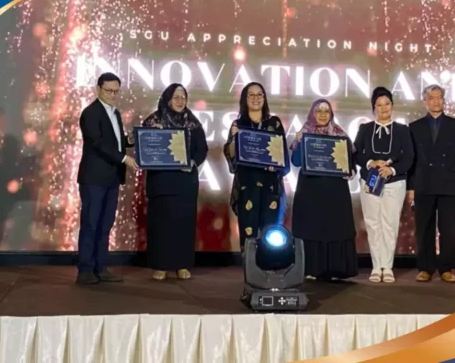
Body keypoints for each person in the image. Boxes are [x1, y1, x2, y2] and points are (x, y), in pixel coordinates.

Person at [76, 72, 138, 285]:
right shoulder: (90, 113)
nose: (112, 94)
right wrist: (124, 158)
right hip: (94, 178)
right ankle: (85, 270)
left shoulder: (115, 113)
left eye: (116, 91)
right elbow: (98, 143)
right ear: (98, 89)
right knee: (90, 225)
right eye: (108, 90)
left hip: (112, 178)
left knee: (105, 225)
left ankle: (101, 268)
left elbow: (115, 141)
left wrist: (132, 140)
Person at [141, 83, 208, 281]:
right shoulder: (153, 121)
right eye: (176, 97)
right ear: (168, 99)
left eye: (183, 97)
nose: (180, 101)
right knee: (160, 225)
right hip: (161, 182)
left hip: (185, 182)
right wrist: (154, 134)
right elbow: (144, 147)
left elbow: (202, 149)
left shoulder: (193, 122)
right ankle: (161, 266)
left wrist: (192, 162)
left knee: (183, 225)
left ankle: (182, 265)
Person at [290, 99, 358, 282]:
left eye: (326, 111)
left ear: (331, 114)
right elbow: (296, 161)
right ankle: (311, 268)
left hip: (335, 190)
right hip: (310, 190)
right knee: (311, 227)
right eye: (318, 110)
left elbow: (350, 162)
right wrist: (298, 140)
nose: (322, 114)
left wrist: (351, 170)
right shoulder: (304, 133)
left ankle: (336, 269)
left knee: (335, 227)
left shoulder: (340, 135)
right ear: (312, 113)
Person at [407, 85, 455, 283]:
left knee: (448, 229)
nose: (436, 101)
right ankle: (425, 268)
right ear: (425, 101)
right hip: (423, 183)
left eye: (439, 97)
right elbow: (412, 160)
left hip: (449, 183)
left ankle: (446, 268)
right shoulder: (414, 127)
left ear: (444, 100)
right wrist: (411, 187)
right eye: (432, 97)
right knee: (424, 229)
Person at [354, 87, 414, 283]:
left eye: (387, 104)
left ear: (392, 106)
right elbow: (356, 154)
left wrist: (392, 170)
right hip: (370, 181)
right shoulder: (365, 129)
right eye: (379, 105)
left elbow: (409, 157)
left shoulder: (402, 130)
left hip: (394, 183)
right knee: (373, 224)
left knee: (390, 224)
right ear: (374, 108)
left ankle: (387, 267)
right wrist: (370, 163)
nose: (384, 108)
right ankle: (376, 266)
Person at [223, 82, 291, 251]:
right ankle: (250, 264)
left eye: (259, 94)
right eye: (251, 95)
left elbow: (282, 155)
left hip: (270, 186)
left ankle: (270, 264)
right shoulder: (238, 124)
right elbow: (231, 155)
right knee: (249, 233)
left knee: (271, 234)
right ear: (244, 99)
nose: (255, 98)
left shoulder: (274, 123)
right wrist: (234, 138)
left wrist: (276, 165)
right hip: (248, 185)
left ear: (264, 98)